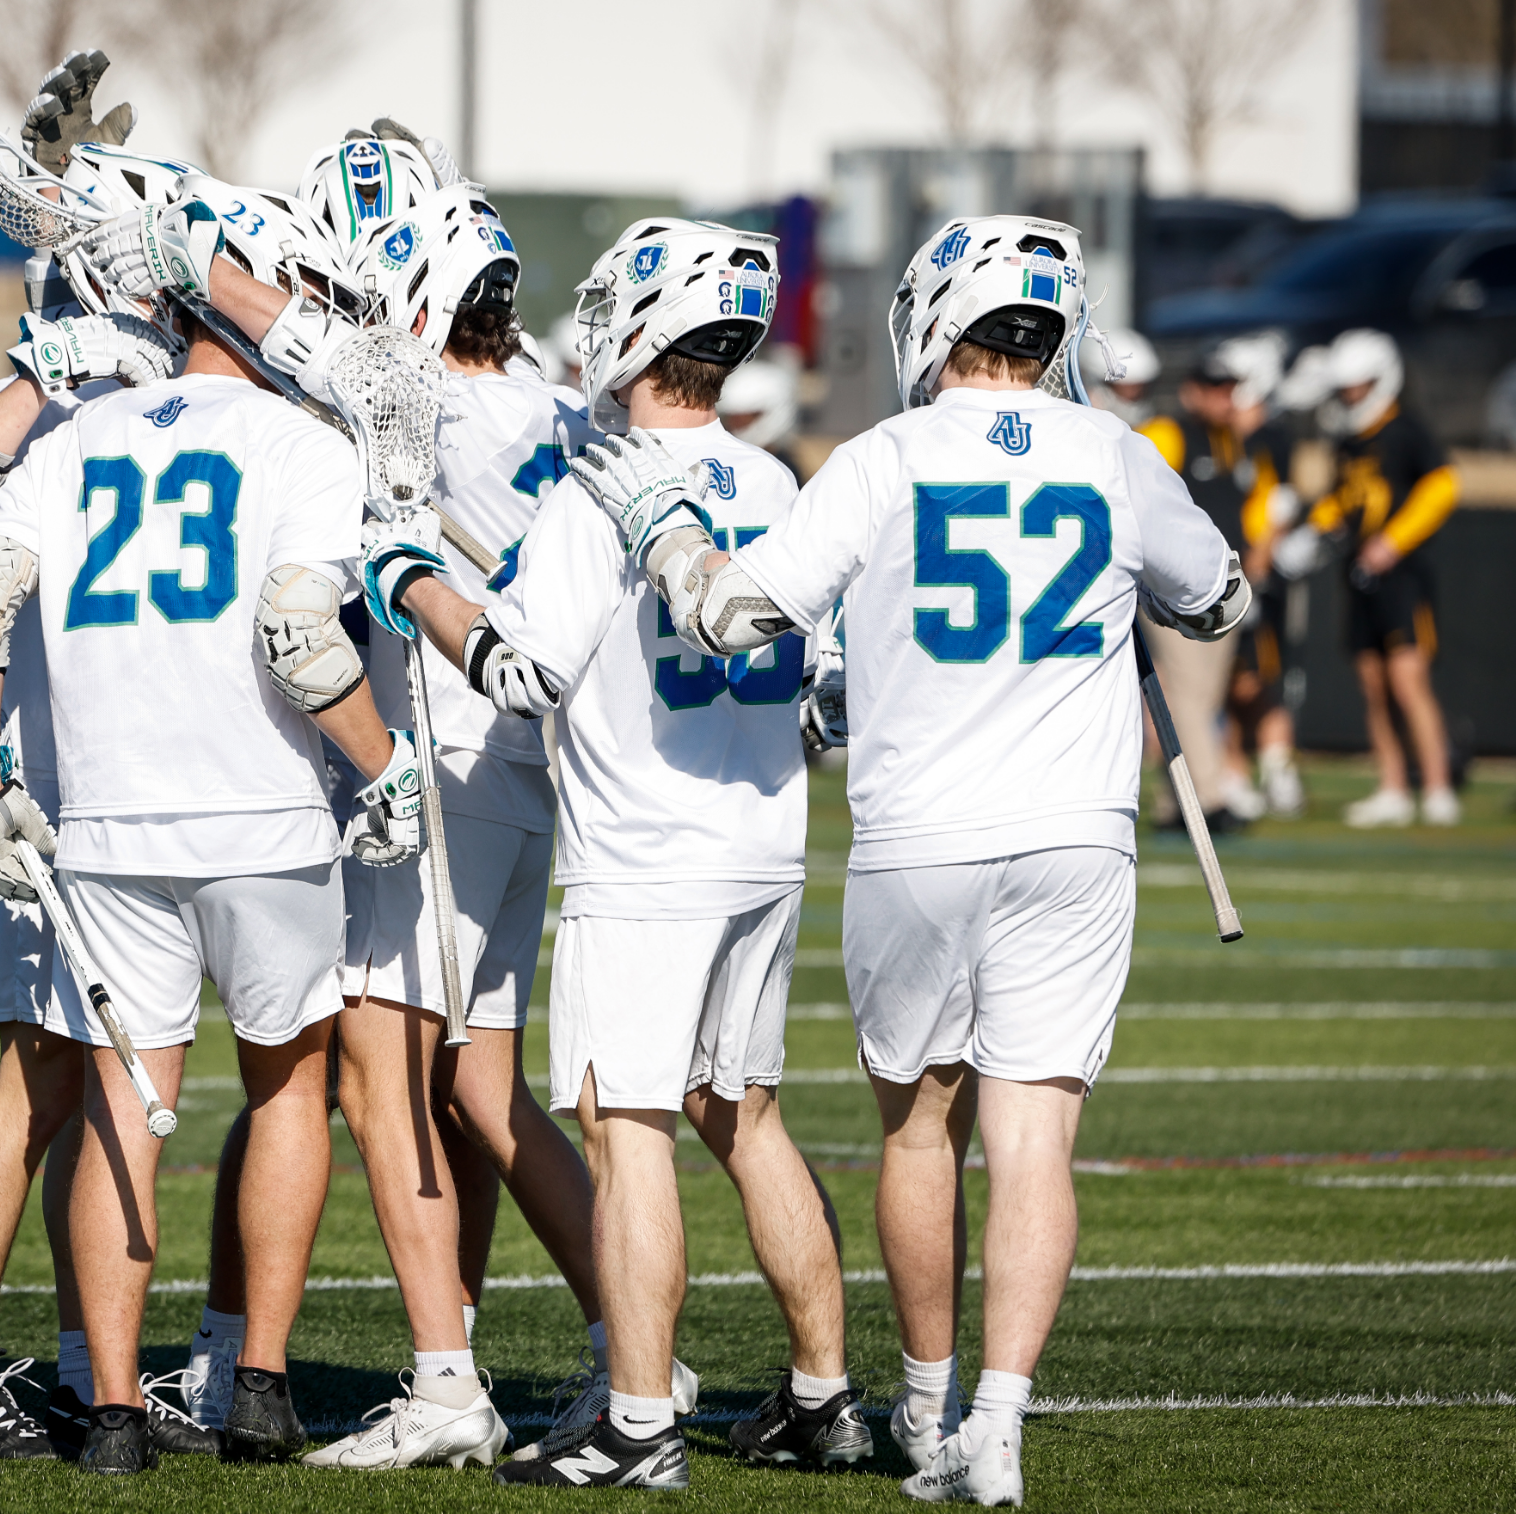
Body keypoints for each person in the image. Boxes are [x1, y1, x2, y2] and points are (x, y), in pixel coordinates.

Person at [86, 127, 697, 1469]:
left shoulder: (413, 398)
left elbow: (305, 345)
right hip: (532, 773)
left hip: (444, 758)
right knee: (477, 1086)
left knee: (367, 1074)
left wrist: (172, 224)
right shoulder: (549, 399)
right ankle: (624, 1349)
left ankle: (446, 1376)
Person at [618, 215, 1241, 1505]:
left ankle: (923, 1400)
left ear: (935, 316)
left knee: (919, 1130)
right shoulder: (1114, 452)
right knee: (1033, 1140)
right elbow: (1219, 597)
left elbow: (744, 617)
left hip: (919, 831)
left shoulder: (881, 456)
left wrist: (671, 543)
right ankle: (996, 1427)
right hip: (1076, 831)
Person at [367, 217, 865, 1490]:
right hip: (763, 840)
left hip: (645, 854)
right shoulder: (771, 481)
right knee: (745, 1114)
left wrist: (412, 579)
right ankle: (822, 1395)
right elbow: (826, 681)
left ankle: (636, 1421)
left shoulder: (596, 485)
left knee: (625, 1123)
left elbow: (523, 671)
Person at [0, 208, 426, 1477]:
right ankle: (257, 1381)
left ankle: (109, 1410)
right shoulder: (302, 440)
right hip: (260, 808)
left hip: (103, 818)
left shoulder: (78, 434)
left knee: (121, 1105)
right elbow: (299, 635)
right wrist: (388, 769)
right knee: (285, 1085)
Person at [0, 60, 199, 1464]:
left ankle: (82, 1359)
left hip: (115, 766)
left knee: (86, 1074)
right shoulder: (60, 371)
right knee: (40, 1073)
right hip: (25, 770)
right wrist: (48, 364)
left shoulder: (163, 374)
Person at [1277, 329, 1461, 827]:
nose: (1350, 396)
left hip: (1403, 576)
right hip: (1357, 575)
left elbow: (1442, 485)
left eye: (1358, 387)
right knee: (1372, 684)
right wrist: (1310, 531)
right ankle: (1394, 786)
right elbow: (1344, 500)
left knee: (1408, 679)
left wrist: (1393, 542)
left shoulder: (1406, 429)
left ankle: (1439, 785)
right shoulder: (1348, 439)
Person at [1134, 346, 1252, 831]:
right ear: (1193, 391)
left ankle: (1174, 804)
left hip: (1219, 582)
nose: (1226, 398)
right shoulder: (1169, 432)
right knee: (1188, 693)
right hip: (1177, 585)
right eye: (1216, 389)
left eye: (1229, 389)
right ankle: (1208, 798)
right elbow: (1142, 494)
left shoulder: (1231, 440)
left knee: (1205, 696)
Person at [1211, 333, 1305, 820]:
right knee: (1225, 679)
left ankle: (1276, 767)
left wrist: (1263, 557)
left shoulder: (1271, 437)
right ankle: (1235, 771)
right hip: (1226, 568)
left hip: (1259, 571)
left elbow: (1281, 501)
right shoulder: (1219, 436)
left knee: (1260, 675)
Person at [716, 357, 802, 478]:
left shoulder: (784, 473)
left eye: (745, 417)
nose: (733, 424)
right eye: (730, 417)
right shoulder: (717, 460)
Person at [1078, 327, 1157, 426]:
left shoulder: (1156, 432)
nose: (1133, 395)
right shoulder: (1075, 429)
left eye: (1139, 388)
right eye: (1125, 388)